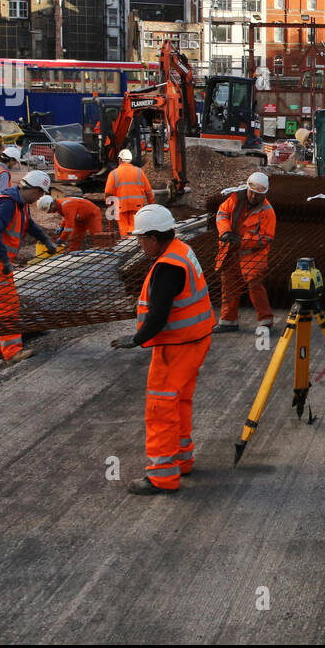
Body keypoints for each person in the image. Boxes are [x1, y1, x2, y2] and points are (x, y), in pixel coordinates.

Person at [109, 204, 215, 494]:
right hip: (195, 340)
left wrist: (138, 338)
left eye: (141, 239)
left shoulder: (167, 266)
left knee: (160, 409)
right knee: (179, 402)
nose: (140, 244)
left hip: (176, 346)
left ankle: (162, 476)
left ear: (154, 238)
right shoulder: (181, 250)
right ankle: (182, 460)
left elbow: (159, 315)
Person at [0, 170, 59, 363]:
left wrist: (46, 240)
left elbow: (29, 225)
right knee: (9, 304)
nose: (40, 198)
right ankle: (12, 352)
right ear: (33, 189)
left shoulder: (20, 204)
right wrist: (5, 261)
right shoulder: (8, 204)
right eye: (40, 194)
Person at [213, 171, 275, 333]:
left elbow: (265, 237)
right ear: (247, 189)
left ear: (265, 194)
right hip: (231, 249)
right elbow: (222, 214)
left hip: (253, 253)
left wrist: (243, 242)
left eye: (258, 194)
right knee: (229, 283)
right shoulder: (234, 200)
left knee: (254, 283)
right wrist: (225, 232)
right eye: (252, 192)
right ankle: (228, 320)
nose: (254, 197)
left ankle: (265, 320)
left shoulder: (268, 212)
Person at [104, 148, 154, 236]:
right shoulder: (139, 172)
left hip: (120, 206)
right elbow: (148, 191)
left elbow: (108, 192)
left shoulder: (114, 173)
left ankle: (126, 245)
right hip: (136, 206)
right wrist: (151, 205)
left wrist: (109, 206)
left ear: (120, 160)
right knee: (134, 227)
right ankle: (133, 243)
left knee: (123, 228)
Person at [37, 191, 103, 252]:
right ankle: (72, 253)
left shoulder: (66, 205)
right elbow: (66, 217)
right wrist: (61, 227)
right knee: (74, 239)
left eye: (50, 210)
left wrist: (61, 239)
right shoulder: (59, 206)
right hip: (79, 219)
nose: (51, 212)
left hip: (92, 216)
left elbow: (69, 227)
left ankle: (101, 253)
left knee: (98, 237)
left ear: (51, 204)